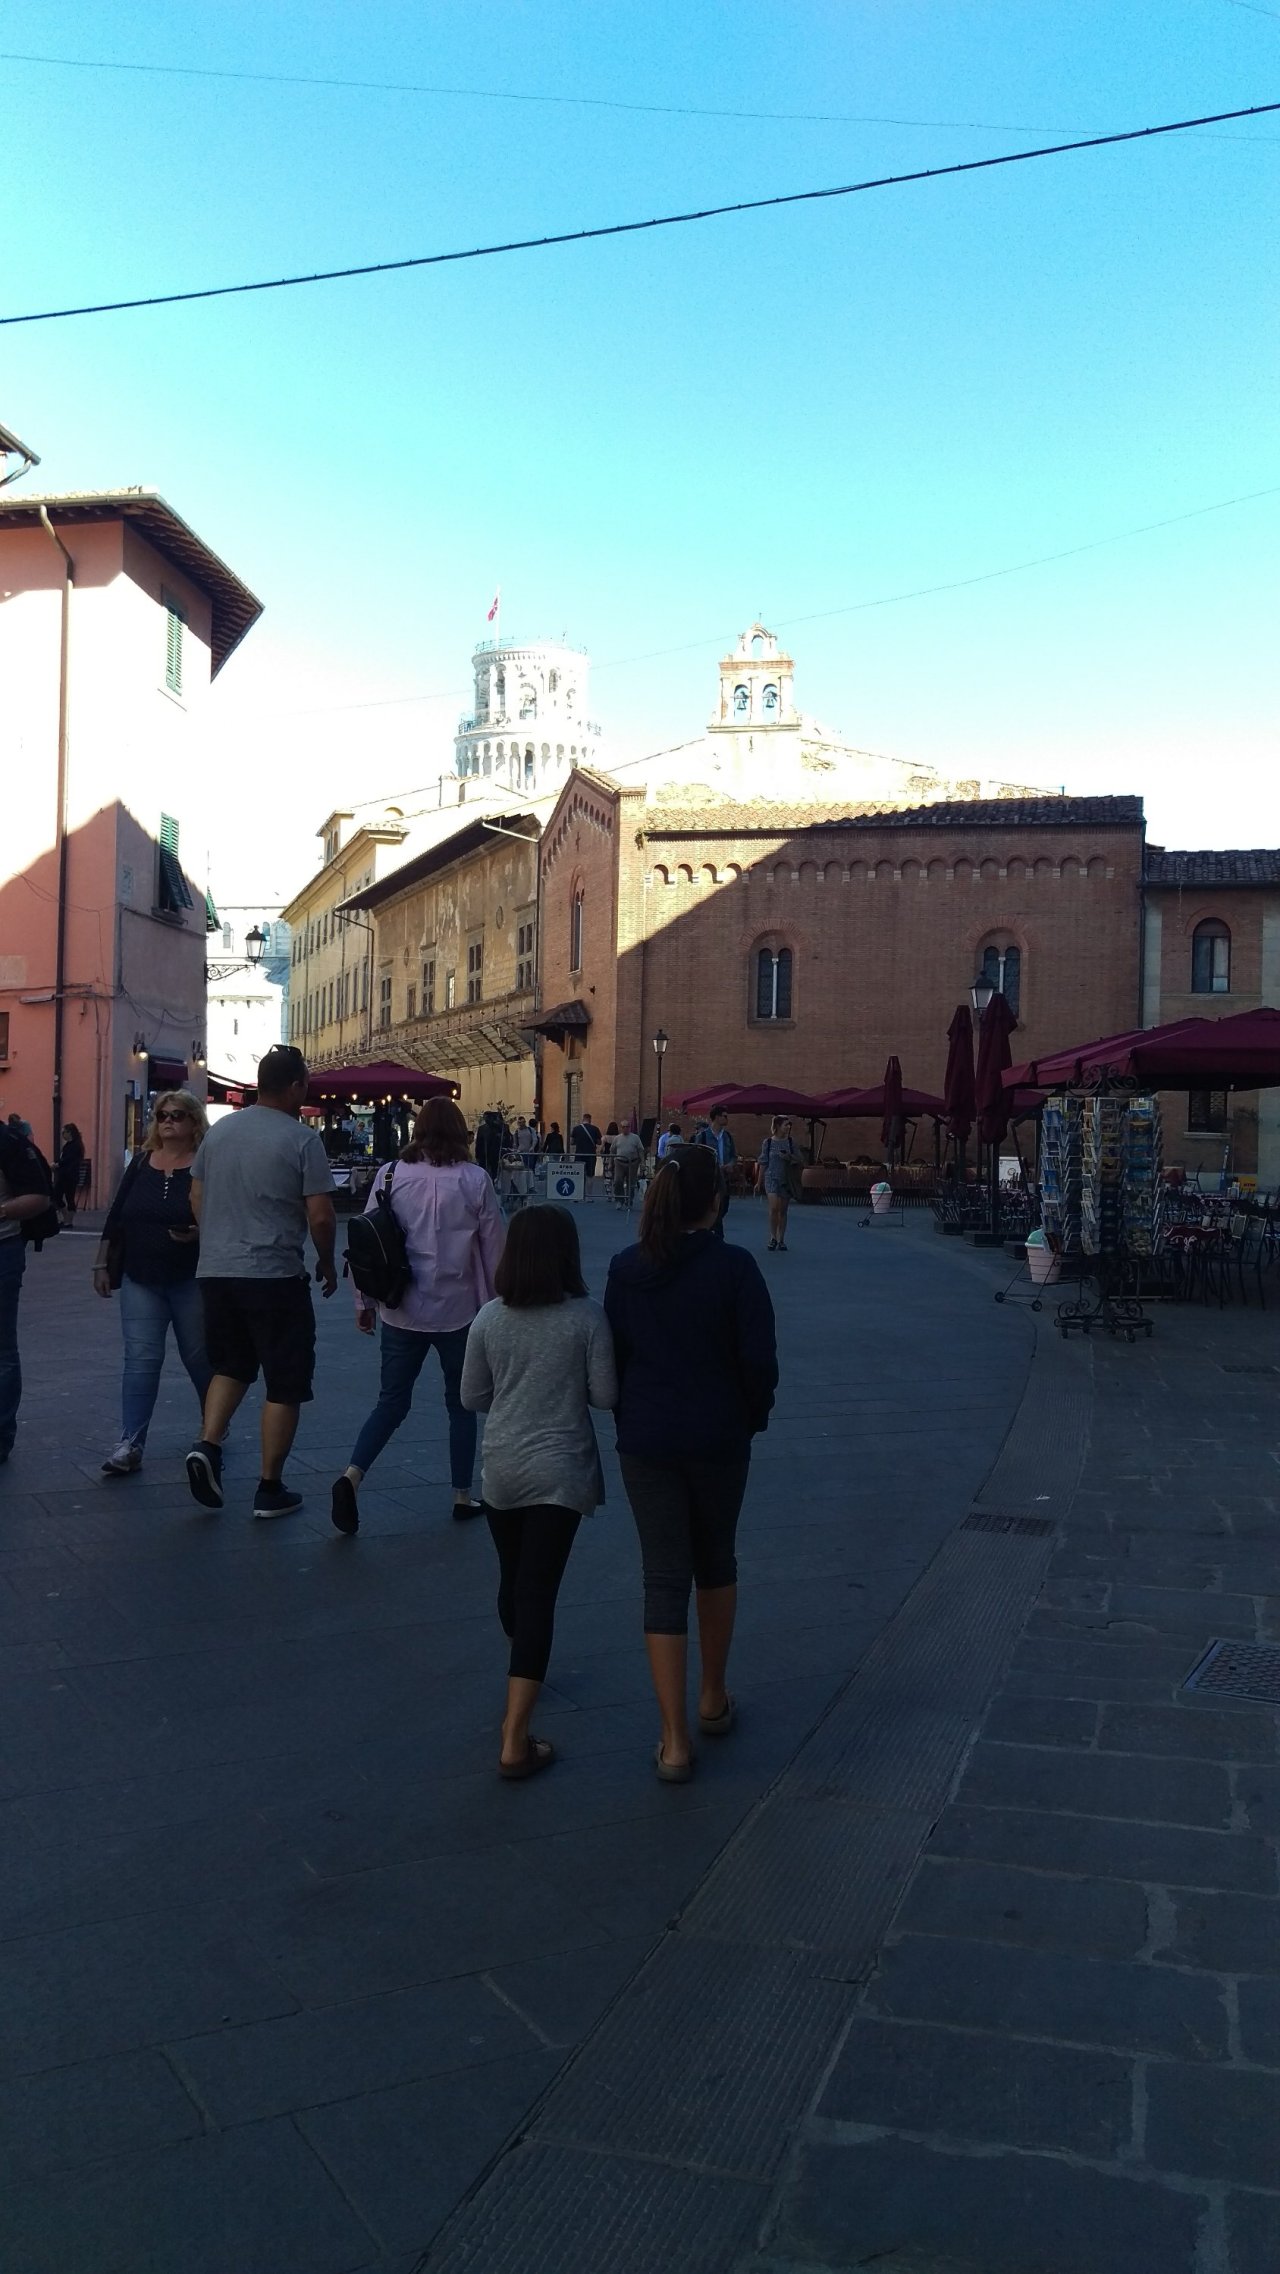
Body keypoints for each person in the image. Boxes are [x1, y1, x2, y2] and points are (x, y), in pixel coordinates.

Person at [605, 1144, 777, 1782]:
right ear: (716, 1203)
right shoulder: (736, 1269)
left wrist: (632, 1418)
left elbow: (613, 1358)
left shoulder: (627, 1269)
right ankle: (712, 1695)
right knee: (716, 1561)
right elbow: (759, 1361)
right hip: (718, 1436)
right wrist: (749, 1416)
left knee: (662, 1577)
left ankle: (674, 1740)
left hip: (647, 1439)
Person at [462, 1205, 617, 1778]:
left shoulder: (488, 1318)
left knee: (514, 1580)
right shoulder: (587, 1317)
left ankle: (520, 1671)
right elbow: (605, 1395)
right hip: (560, 1470)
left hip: (502, 1467)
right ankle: (515, 1736)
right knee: (539, 1595)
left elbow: (472, 1397)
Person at [331, 1097, 505, 1534]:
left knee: (391, 1401)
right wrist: (499, 1305)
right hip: (459, 1310)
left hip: (401, 1307)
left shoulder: (391, 1174)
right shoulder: (475, 1180)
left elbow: (366, 1242)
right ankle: (461, 1494)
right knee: (460, 1405)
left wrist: (363, 1303)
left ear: (418, 1129)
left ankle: (352, 1475)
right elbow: (494, 1250)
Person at [185, 1045, 337, 1519]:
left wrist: (217, 1237)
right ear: (294, 1087)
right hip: (273, 1274)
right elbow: (321, 1215)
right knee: (285, 1381)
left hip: (216, 1271)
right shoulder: (302, 1139)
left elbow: (196, 1195)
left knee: (230, 1365)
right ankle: (270, 1487)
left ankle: (208, 1444)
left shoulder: (220, 1133)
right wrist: (327, 1262)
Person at [92, 1091, 212, 1474]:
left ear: (194, 1121)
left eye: (177, 1115)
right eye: (162, 1115)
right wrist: (101, 1263)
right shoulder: (142, 1162)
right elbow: (117, 1215)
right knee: (141, 1360)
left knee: (199, 1358)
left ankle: (212, 1430)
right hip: (141, 1275)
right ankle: (130, 1443)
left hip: (191, 1276)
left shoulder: (206, 1164)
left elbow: (222, 1214)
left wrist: (199, 1234)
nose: (168, 1121)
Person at [0, 1118, 53, 1463]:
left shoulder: (8, 1143)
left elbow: (40, 1198)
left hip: (2, 1250)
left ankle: (1, 1435)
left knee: (2, 1349)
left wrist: (2, 1210)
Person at [759, 1114, 801, 1252]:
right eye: (785, 1124)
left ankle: (781, 1239)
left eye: (789, 1125)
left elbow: (800, 1159)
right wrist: (759, 1181)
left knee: (783, 1210)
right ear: (777, 1126)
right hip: (771, 1177)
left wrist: (788, 1157)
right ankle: (773, 1237)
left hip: (786, 1179)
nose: (788, 1127)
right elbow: (763, 1162)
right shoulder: (768, 1142)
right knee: (774, 1208)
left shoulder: (791, 1142)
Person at [696, 1106, 738, 1241]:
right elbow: (697, 1156)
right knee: (714, 1208)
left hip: (724, 1178)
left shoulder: (727, 1137)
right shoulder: (703, 1136)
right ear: (716, 1117)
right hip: (710, 1178)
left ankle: (711, 1231)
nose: (727, 1119)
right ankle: (717, 1237)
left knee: (723, 1207)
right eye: (724, 1116)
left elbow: (733, 1156)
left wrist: (730, 1164)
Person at [54, 1123, 85, 1224]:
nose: (63, 1135)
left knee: (68, 1197)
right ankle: (66, 1217)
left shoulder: (75, 1146)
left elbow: (68, 1160)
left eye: (64, 1132)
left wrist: (58, 1164)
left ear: (69, 1132)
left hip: (69, 1175)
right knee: (58, 1196)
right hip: (64, 1175)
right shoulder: (68, 1146)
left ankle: (68, 1220)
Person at [611, 1125, 644, 1209]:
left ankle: (629, 1201)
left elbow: (640, 1150)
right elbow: (612, 1151)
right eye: (623, 1127)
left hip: (632, 1163)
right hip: (619, 1162)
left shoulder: (635, 1137)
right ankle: (619, 1200)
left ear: (629, 1128)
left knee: (631, 1183)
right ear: (621, 1128)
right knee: (618, 1181)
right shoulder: (617, 1138)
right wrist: (610, 1163)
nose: (625, 1128)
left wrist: (642, 1163)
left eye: (627, 1127)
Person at [570, 1110, 601, 1196]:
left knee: (578, 1174)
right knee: (590, 1175)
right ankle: (589, 1196)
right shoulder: (595, 1129)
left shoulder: (576, 1129)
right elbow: (599, 1142)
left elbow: (572, 1142)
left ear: (583, 1119)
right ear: (590, 1119)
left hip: (579, 1154)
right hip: (591, 1155)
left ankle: (578, 1194)